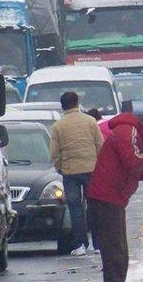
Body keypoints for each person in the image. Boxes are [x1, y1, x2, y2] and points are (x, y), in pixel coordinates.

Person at [87, 112, 143, 282]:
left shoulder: (133, 134)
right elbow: (132, 160)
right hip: (106, 197)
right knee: (115, 253)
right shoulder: (128, 131)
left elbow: (125, 166)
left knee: (119, 253)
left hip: (113, 199)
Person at [49, 92, 104, 256]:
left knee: (75, 209)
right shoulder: (90, 121)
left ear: (62, 106)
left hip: (70, 171)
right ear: (77, 103)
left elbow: (54, 152)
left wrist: (60, 167)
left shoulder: (58, 126)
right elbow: (100, 144)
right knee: (94, 206)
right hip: (91, 169)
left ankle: (80, 244)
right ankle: (98, 244)